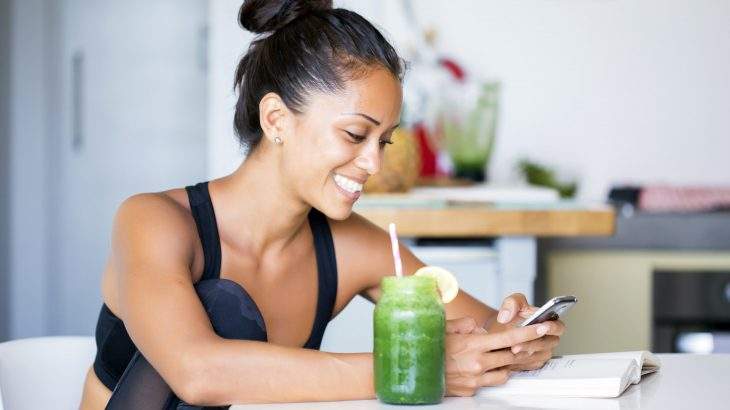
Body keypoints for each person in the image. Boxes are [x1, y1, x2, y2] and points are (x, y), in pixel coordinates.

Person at [79, 0, 565, 408]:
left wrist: (519, 337)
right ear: (276, 120)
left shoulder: (355, 247)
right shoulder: (154, 222)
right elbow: (197, 370)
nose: (373, 163)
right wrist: (419, 370)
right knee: (223, 306)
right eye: (355, 134)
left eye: (385, 142)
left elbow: (488, 330)